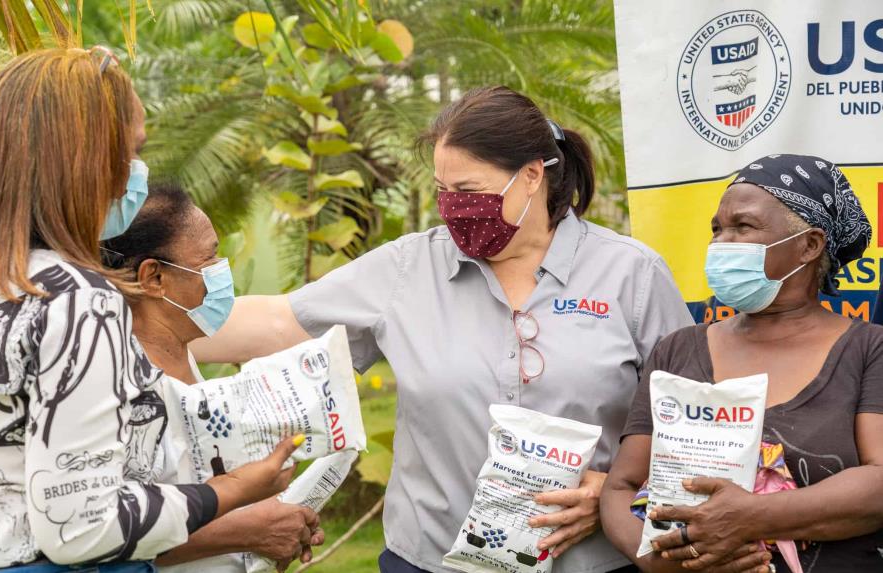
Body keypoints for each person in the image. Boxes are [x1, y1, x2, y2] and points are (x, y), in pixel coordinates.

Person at [190, 86, 694, 573]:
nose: (454, 206)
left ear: (533, 176)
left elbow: (688, 432)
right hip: (429, 560)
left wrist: (615, 493)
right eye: (442, 191)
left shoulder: (633, 277)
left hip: (593, 563)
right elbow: (281, 321)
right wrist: (145, 319)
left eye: (469, 191)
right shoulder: (410, 268)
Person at [0, 48, 304, 571]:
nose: (140, 172)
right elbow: (80, 528)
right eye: (132, 151)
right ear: (85, 159)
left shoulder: (7, 279)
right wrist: (228, 491)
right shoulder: (76, 297)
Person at [600, 154, 883, 573]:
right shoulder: (676, 351)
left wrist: (747, 516)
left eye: (743, 227)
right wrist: (660, 563)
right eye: (717, 229)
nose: (720, 243)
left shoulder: (869, 350)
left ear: (809, 245)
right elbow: (619, 487)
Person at [101, 181, 325, 572]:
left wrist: (274, 519)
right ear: (155, 278)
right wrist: (248, 531)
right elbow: (106, 533)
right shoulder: (123, 383)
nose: (223, 273)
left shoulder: (180, 350)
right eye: (210, 259)